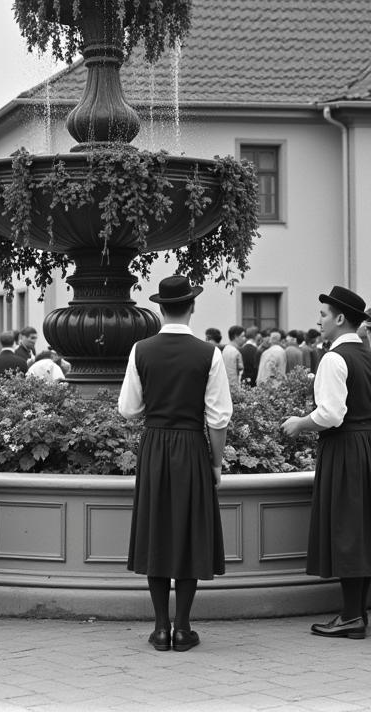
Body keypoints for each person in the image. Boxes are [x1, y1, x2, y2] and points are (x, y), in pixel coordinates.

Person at [283, 286, 371, 639]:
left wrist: (299, 423)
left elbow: (331, 414)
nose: (319, 321)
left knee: (349, 530)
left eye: (323, 315)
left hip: (344, 446)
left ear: (339, 318)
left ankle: (352, 615)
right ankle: (357, 613)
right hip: (367, 445)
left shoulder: (335, 359)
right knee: (361, 530)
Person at [118, 276, 231, 653]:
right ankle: (183, 628)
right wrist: (215, 464)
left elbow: (129, 410)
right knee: (187, 533)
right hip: (191, 446)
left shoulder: (140, 350)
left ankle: (160, 627)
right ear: (192, 307)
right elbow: (218, 419)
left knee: (157, 532)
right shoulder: (208, 353)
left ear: (160, 308)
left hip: (154, 446)